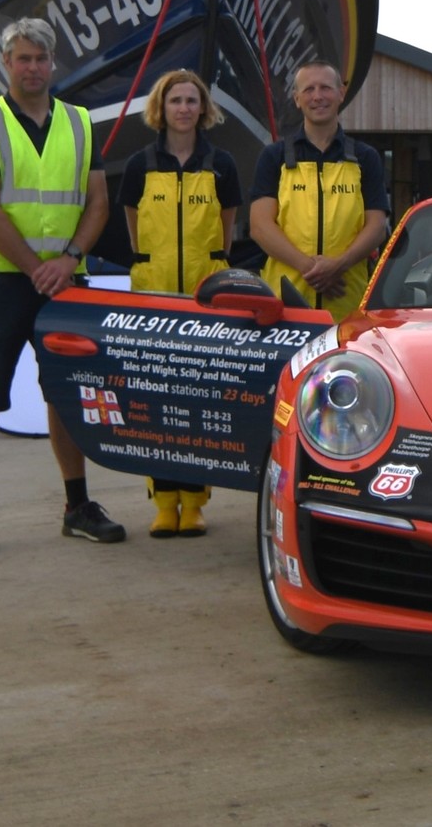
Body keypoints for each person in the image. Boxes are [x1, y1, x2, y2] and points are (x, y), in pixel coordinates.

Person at [0, 17, 120, 564]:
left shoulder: (80, 123)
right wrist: (35, 267)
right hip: (3, 278)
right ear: (7, 63)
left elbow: (98, 203)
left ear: (53, 62)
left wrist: (66, 261)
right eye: (23, 58)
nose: (33, 67)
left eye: (41, 58)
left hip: (65, 279)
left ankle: (77, 507)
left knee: (65, 393)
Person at [119, 68, 243, 538]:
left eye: (193, 101)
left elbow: (227, 224)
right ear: (161, 107)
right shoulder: (139, 165)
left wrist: (212, 264)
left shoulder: (221, 164)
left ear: (203, 109)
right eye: (176, 101)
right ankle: (163, 500)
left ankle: (194, 501)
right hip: (153, 290)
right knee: (155, 399)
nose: (185, 109)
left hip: (204, 291)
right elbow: (132, 218)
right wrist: (149, 262)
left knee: (200, 396)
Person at [249, 59, 390, 322]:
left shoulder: (364, 157)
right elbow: (259, 226)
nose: (317, 96)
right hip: (284, 307)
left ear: (341, 93)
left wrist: (340, 265)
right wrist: (310, 269)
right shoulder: (274, 156)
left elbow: (377, 226)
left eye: (325, 88)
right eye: (308, 89)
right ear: (297, 99)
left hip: (347, 306)